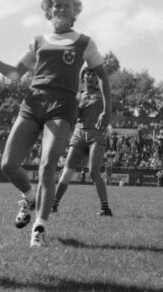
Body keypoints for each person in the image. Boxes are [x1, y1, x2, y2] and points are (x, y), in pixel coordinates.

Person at [0, 0, 112, 247]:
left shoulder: (84, 42)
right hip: (32, 102)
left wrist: (107, 110)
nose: (61, 8)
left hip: (62, 107)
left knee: (48, 165)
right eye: (57, 5)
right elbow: (15, 74)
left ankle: (39, 227)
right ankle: (30, 197)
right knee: (7, 165)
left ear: (75, 11)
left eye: (67, 5)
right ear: (49, 10)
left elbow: (103, 78)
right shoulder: (38, 41)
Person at [51, 67, 112, 217]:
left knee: (93, 172)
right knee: (67, 171)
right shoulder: (77, 96)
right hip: (79, 133)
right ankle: (53, 205)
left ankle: (105, 208)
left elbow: (110, 112)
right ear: (83, 77)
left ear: (97, 79)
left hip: (96, 135)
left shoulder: (104, 95)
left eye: (93, 74)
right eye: (87, 74)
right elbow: (74, 117)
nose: (90, 77)